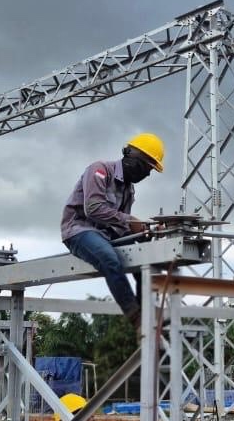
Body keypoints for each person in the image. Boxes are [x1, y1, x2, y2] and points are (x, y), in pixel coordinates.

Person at [60, 133, 165, 329]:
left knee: (145, 257)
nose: (147, 174)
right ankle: (135, 316)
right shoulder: (99, 170)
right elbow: (93, 209)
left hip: (108, 235)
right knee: (109, 259)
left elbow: (122, 226)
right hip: (79, 230)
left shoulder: (129, 190)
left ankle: (147, 313)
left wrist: (145, 232)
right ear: (134, 158)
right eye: (147, 168)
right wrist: (130, 221)